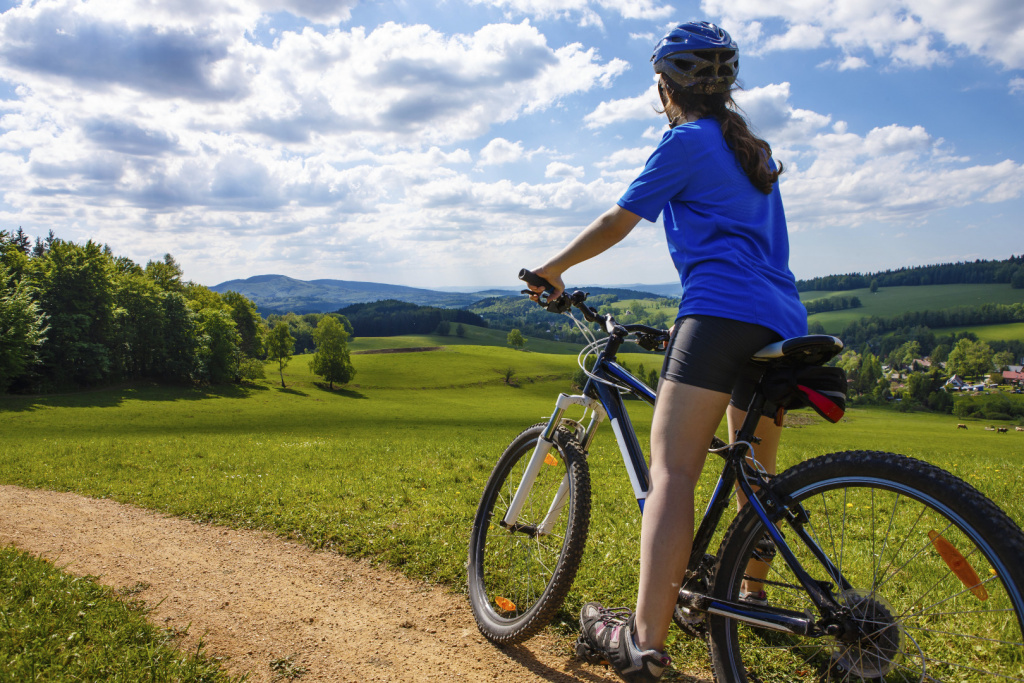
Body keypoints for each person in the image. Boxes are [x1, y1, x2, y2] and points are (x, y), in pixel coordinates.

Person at [526, 21, 807, 683]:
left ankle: (644, 642)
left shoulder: (684, 142)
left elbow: (618, 220)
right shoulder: (753, 150)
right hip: (783, 319)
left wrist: (552, 268)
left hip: (720, 313)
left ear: (664, 86)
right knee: (753, 473)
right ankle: (749, 597)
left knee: (673, 473)